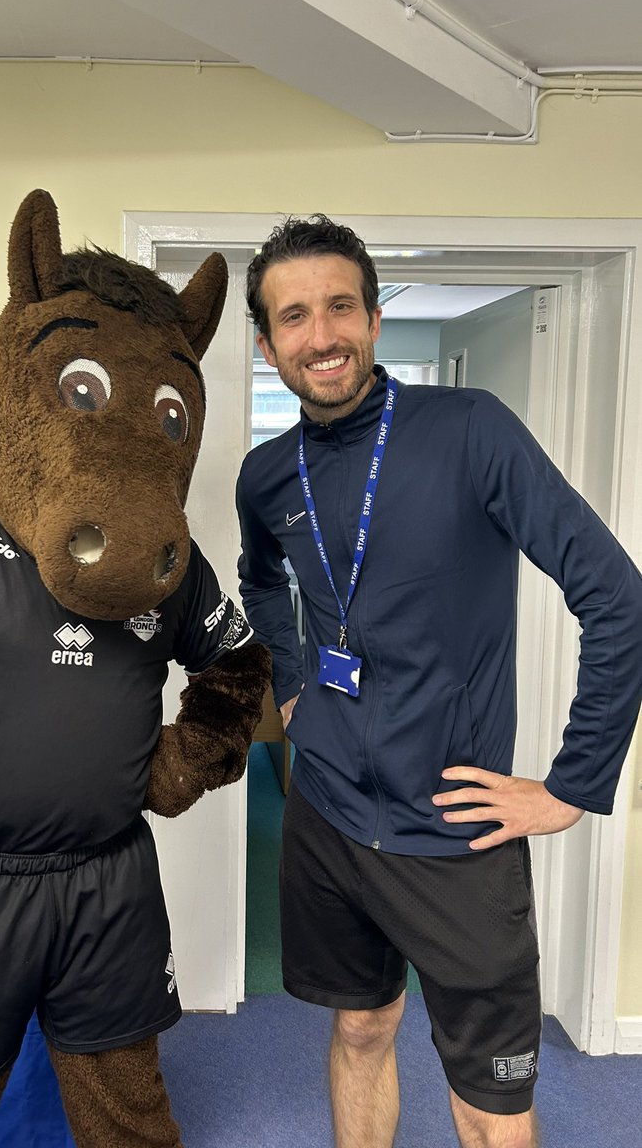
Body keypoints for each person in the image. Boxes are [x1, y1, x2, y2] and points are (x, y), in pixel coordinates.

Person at [235, 214, 642, 1148]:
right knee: (361, 1024)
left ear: (376, 320)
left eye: (341, 307)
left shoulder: (471, 431)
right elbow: (261, 581)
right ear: (268, 343)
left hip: (458, 827)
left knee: (487, 1100)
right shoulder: (266, 475)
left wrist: (575, 783)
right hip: (328, 814)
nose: (321, 335)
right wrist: (292, 681)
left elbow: (618, 598)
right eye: (294, 317)